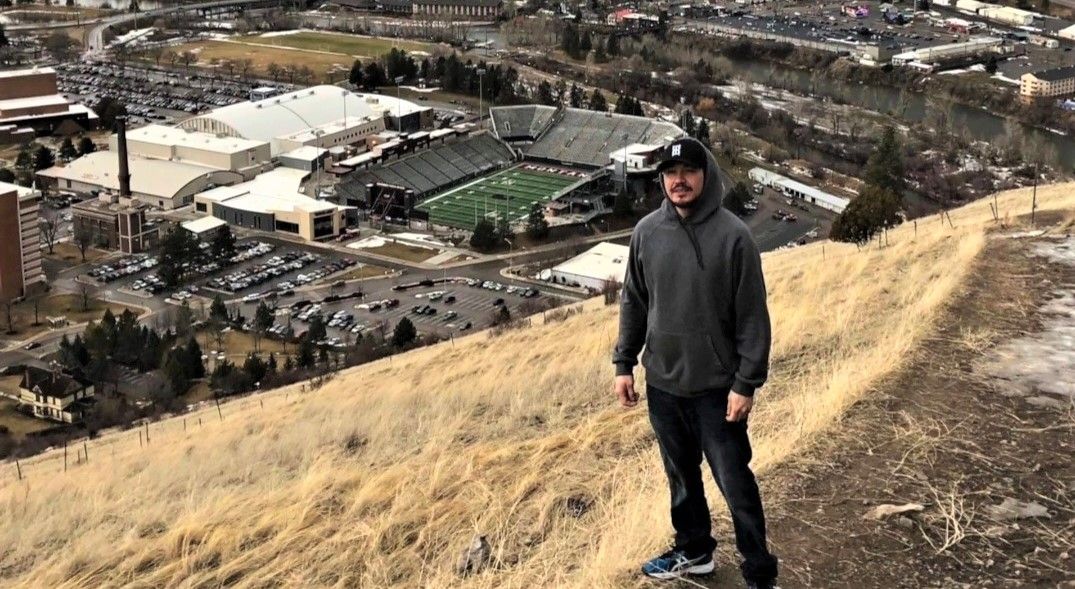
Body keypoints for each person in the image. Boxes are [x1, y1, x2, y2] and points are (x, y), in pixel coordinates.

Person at [612, 137, 779, 588]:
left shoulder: (734, 237)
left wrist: (746, 383)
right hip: (663, 385)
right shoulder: (646, 232)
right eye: (669, 173)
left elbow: (752, 317)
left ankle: (760, 572)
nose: (678, 181)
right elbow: (634, 301)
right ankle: (695, 551)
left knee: (735, 485)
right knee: (681, 479)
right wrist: (624, 363)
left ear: (706, 176)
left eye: (687, 171)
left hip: (716, 391)